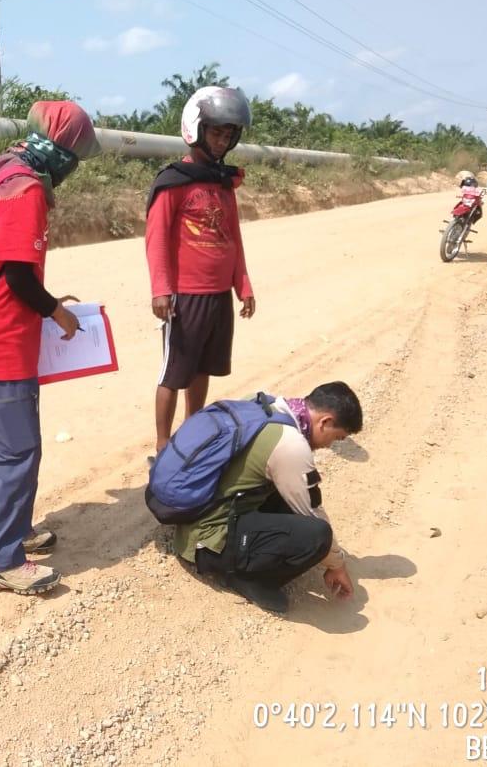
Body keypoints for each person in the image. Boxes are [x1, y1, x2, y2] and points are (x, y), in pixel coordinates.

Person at [0, 101, 101, 595]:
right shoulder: (26, 189)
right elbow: (15, 276)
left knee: (6, 448)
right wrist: (58, 311)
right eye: (74, 155)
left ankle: (17, 531)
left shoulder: (1, 170)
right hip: (0, 344)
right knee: (17, 452)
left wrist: (50, 302)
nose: (73, 166)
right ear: (58, 151)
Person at [174, 382, 363, 614]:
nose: (329, 445)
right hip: (207, 542)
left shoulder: (265, 404)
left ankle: (240, 555)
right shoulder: (291, 445)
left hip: (193, 513)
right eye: (337, 437)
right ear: (325, 422)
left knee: (289, 494)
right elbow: (312, 512)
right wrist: (337, 565)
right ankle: (245, 577)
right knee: (318, 535)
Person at [145, 86, 256, 456]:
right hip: (185, 296)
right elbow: (156, 238)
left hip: (217, 294)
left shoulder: (224, 183)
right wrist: (161, 289)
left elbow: (233, 238)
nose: (222, 141)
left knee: (203, 367)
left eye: (228, 135)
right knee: (174, 371)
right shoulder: (174, 181)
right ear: (196, 129)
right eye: (216, 132)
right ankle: (163, 443)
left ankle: (192, 434)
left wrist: (243, 285)